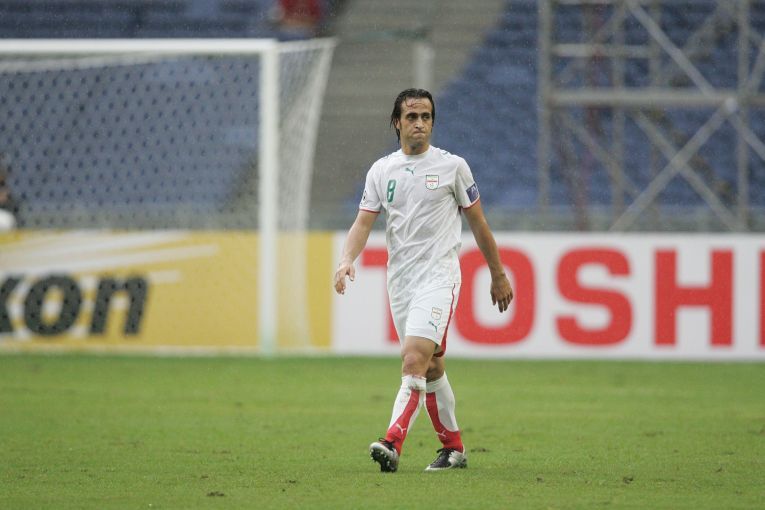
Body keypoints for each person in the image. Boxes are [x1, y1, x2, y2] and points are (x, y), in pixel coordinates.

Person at [333, 89, 514, 472]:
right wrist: (347, 259)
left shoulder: (453, 167)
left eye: (426, 117)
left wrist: (497, 273)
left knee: (414, 359)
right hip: (400, 283)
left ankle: (391, 443)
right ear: (397, 122)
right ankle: (454, 449)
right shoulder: (382, 170)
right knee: (430, 368)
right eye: (412, 117)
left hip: (439, 278)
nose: (420, 124)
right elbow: (363, 223)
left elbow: (478, 223)